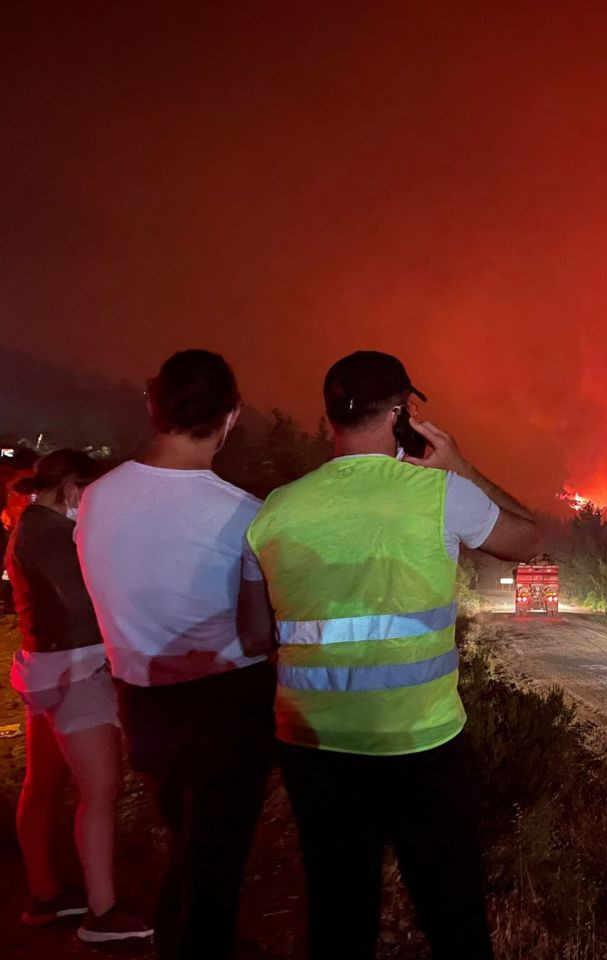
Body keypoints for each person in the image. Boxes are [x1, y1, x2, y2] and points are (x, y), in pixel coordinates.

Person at [241, 350, 540, 960]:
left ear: (332, 416)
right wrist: (461, 467)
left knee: (338, 916)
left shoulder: (274, 510)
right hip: (421, 744)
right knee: (454, 918)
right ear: (402, 413)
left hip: (314, 748)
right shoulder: (440, 495)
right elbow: (528, 539)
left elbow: (252, 636)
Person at [75, 350, 274, 960]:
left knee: (190, 844)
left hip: (141, 703)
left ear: (152, 406)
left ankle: (178, 935)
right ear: (231, 416)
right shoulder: (243, 514)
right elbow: (259, 634)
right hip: (223, 708)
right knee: (216, 867)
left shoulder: (96, 498)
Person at [4, 451, 152, 943]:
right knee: (101, 791)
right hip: (78, 672)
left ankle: (45, 895)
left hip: (44, 671)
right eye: (87, 496)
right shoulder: (48, 535)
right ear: (71, 490)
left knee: (41, 785)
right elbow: (85, 603)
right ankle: (102, 913)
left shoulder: (30, 526)